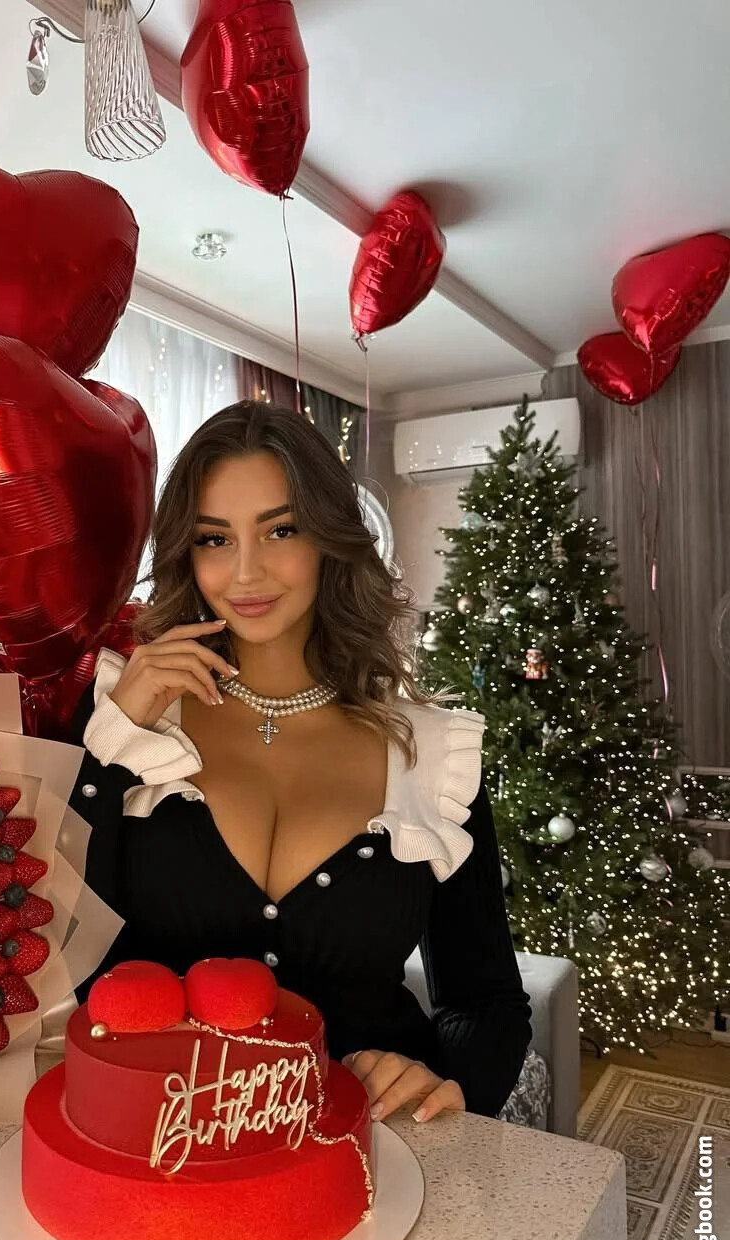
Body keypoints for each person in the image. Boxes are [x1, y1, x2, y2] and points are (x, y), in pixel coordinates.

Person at [64, 399, 531, 1124]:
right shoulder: (130, 723)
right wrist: (111, 741)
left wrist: (446, 1079)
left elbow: (485, 1000)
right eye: (215, 539)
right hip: (166, 1145)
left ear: (329, 539)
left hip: (369, 1149)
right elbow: (46, 944)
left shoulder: (431, 755)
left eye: (281, 530)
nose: (246, 571)